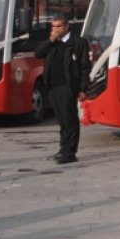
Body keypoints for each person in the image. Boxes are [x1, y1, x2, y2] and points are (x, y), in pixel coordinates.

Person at [34, 14, 90, 164]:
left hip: (68, 86)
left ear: (66, 27)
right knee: (61, 119)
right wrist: (50, 40)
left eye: (58, 26)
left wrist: (83, 88)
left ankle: (70, 153)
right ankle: (63, 148)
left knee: (69, 119)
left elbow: (85, 67)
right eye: (53, 26)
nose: (55, 29)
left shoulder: (78, 43)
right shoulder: (52, 43)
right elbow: (38, 53)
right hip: (52, 86)